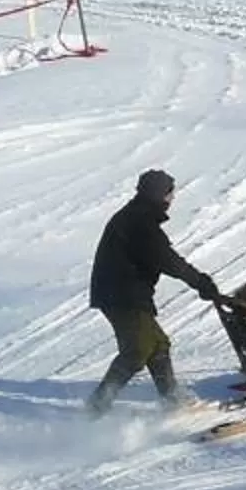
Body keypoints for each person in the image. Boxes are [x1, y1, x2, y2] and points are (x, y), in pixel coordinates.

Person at [86, 168, 222, 414]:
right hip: (122, 295)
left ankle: (172, 400)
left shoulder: (136, 216)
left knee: (158, 345)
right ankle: (97, 406)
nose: (173, 199)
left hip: (121, 292)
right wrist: (199, 281)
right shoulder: (141, 223)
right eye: (170, 193)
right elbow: (166, 259)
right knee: (137, 350)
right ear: (160, 194)